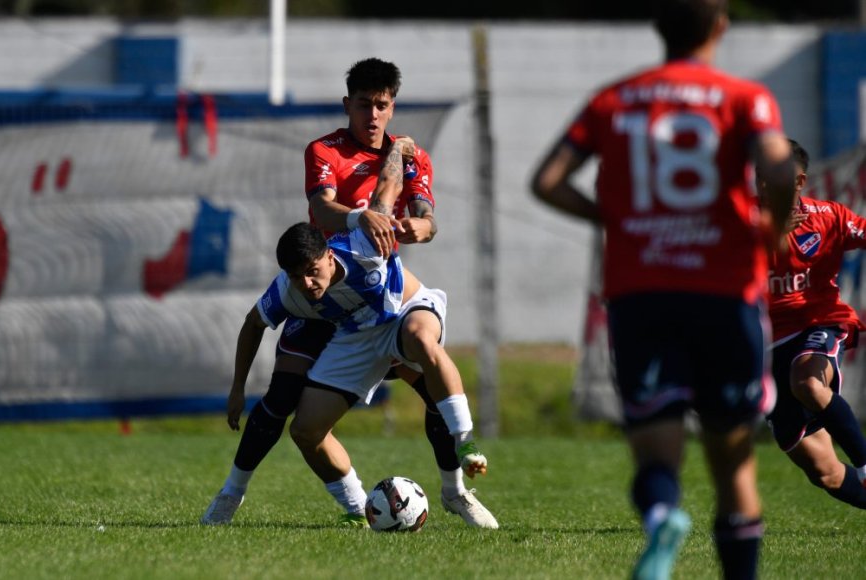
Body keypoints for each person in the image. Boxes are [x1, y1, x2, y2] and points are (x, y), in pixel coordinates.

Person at [530, 1, 795, 578]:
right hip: (724, 292)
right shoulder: (746, 97)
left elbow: (546, 181)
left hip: (642, 293)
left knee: (656, 449)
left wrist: (613, 217)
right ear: (720, 28)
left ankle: (660, 517)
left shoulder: (614, 99)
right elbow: (777, 169)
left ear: (658, 28)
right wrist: (773, 227)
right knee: (733, 464)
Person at [202, 57, 498, 529]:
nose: (373, 115)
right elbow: (321, 208)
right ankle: (241, 496)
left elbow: (425, 216)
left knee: (433, 388)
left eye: (382, 105)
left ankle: (455, 490)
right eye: (364, 105)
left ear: (392, 106)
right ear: (348, 105)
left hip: (380, 300)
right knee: (284, 399)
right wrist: (361, 218)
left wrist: (418, 227)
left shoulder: (411, 157)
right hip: (325, 297)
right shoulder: (325, 151)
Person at [207, 221, 490, 526]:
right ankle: (360, 508)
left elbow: (391, 185)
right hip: (359, 337)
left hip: (404, 313)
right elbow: (253, 324)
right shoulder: (288, 292)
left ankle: (463, 454)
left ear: (329, 256)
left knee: (421, 340)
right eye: (295, 276)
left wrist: (415, 221)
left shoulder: (362, 245)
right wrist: (238, 388)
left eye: (312, 270)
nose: (306, 282)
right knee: (305, 430)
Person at [761, 139, 866, 508]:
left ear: (799, 181)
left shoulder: (829, 217)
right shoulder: (740, 226)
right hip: (765, 344)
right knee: (825, 472)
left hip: (818, 323)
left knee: (806, 380)